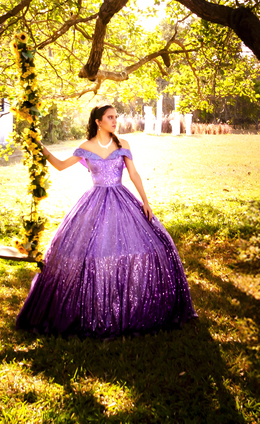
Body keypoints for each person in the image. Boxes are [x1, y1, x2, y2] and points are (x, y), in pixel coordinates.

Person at [16, 104, 197, 337]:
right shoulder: (86, 146)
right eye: (110, 117)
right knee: (88, 249)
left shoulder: (122, 145)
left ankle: (133, 304)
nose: (115, 121)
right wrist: (39, 147)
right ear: (98, 121)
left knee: (147, 244)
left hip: (121, 198)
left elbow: (133, 174)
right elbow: (60, 166)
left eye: (116, 117)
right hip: (94, 201)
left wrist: (145, 201)